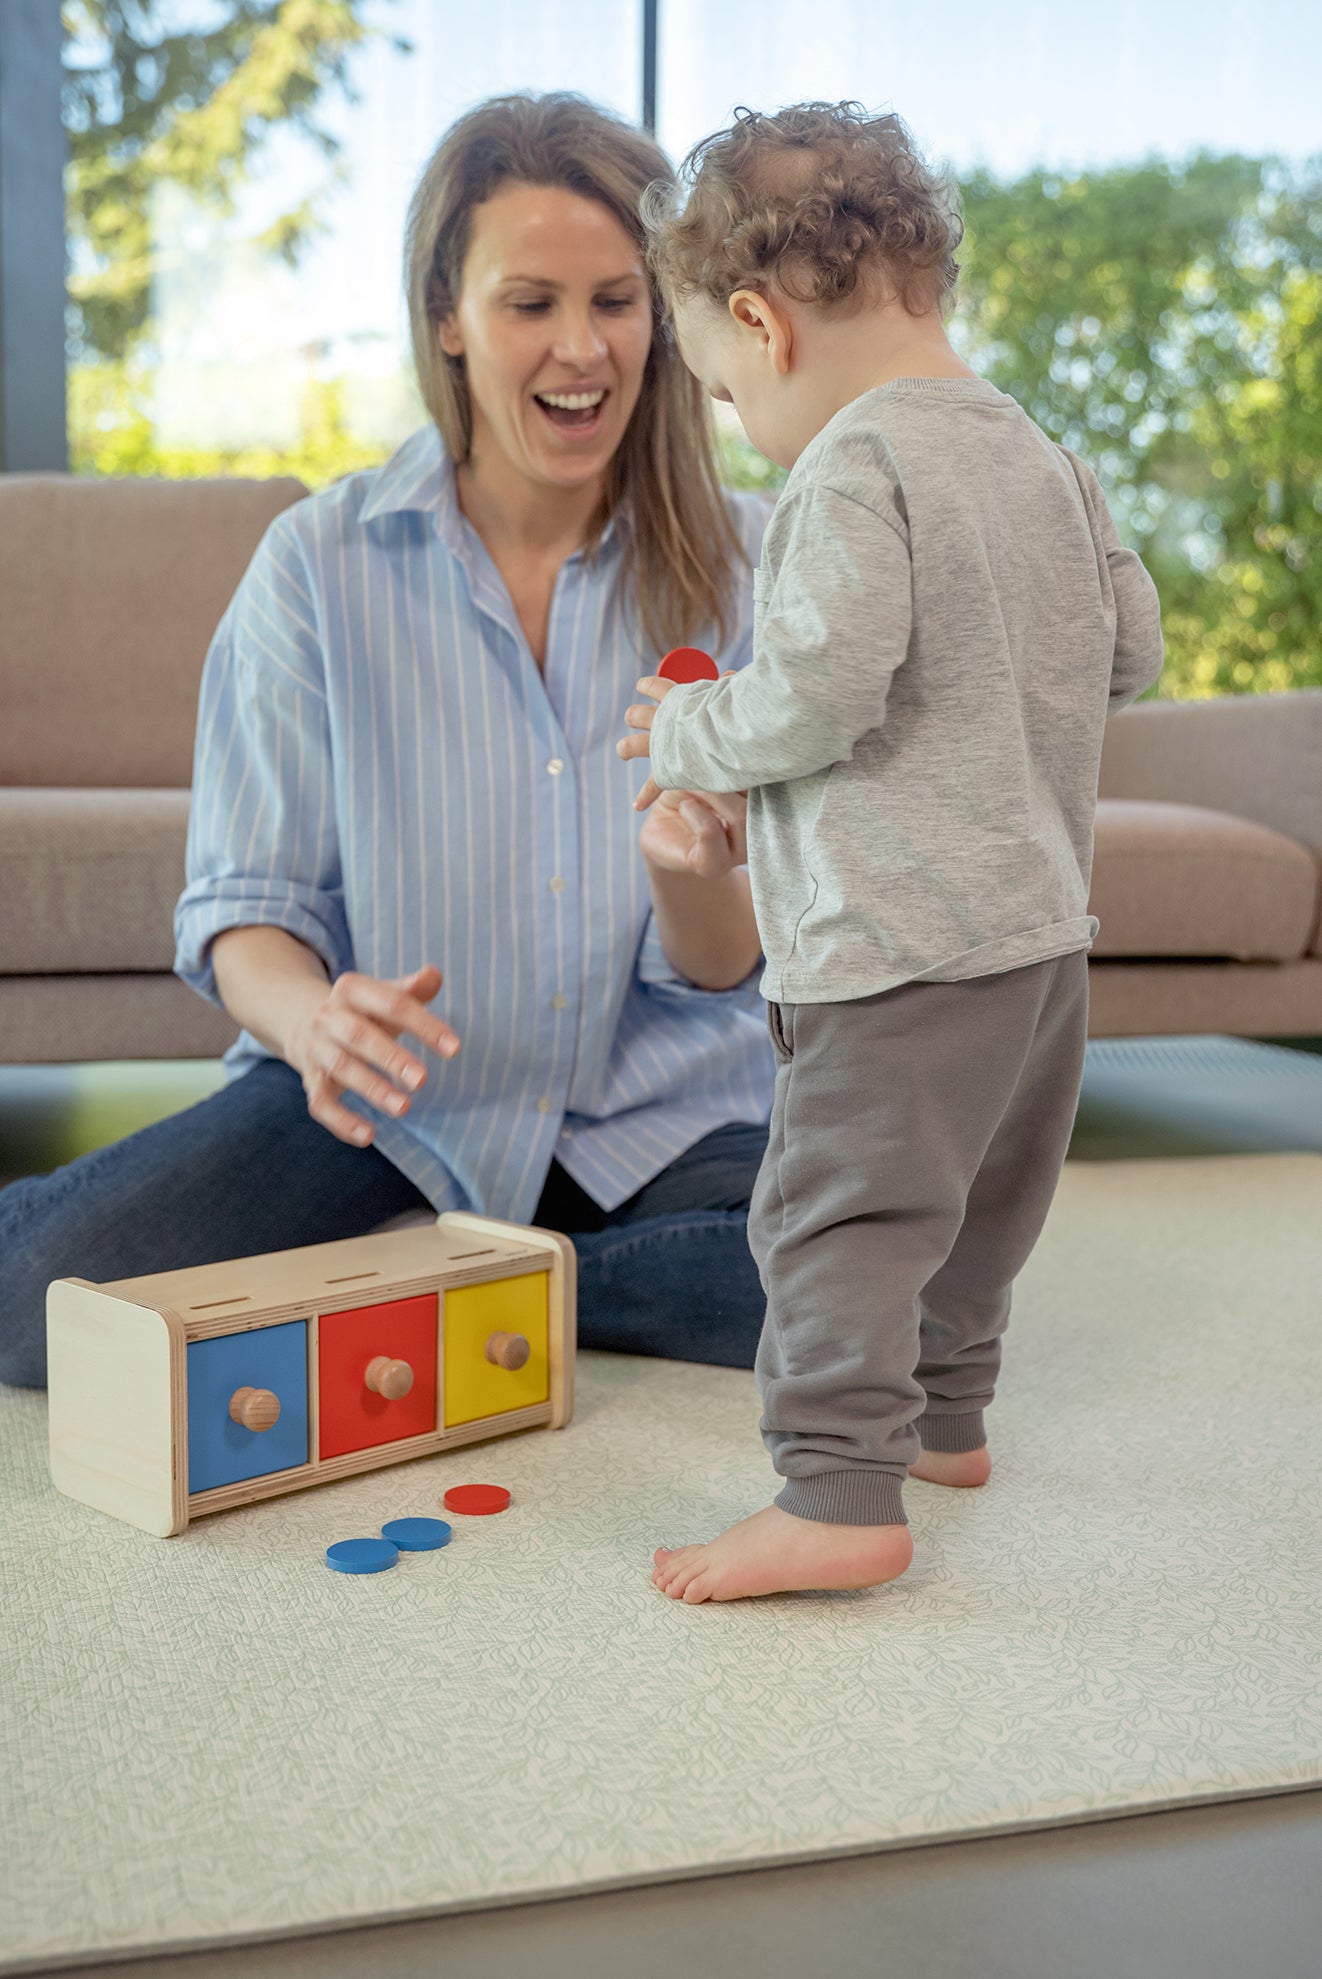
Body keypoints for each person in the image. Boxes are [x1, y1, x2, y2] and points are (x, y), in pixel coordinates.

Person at [0, 92, 776, 1392]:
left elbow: (722, 975)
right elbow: (245, 911)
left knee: (874, 1301)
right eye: (529, 302)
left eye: (616, 299)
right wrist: (315, 1020)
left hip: (663, 1117)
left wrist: (696, 874)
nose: (579, 348)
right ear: (446, 321)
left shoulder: (749, 569)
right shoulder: (319, 565)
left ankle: (465, 1275)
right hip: (382, 1115)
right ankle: (485, 1264)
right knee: (37, 1303)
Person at [619, 101, 1165, 1603]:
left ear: (758, 323)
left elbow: (811, 696)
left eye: (723, 391)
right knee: (981, 1204)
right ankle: (948, 1427)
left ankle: (836, 1491)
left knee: (834, 1216)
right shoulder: (1042, 457)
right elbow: (1130, 650)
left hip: (895, 949)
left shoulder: (850, 472)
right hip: (1040, 945)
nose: (737, 418)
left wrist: (685, 731)